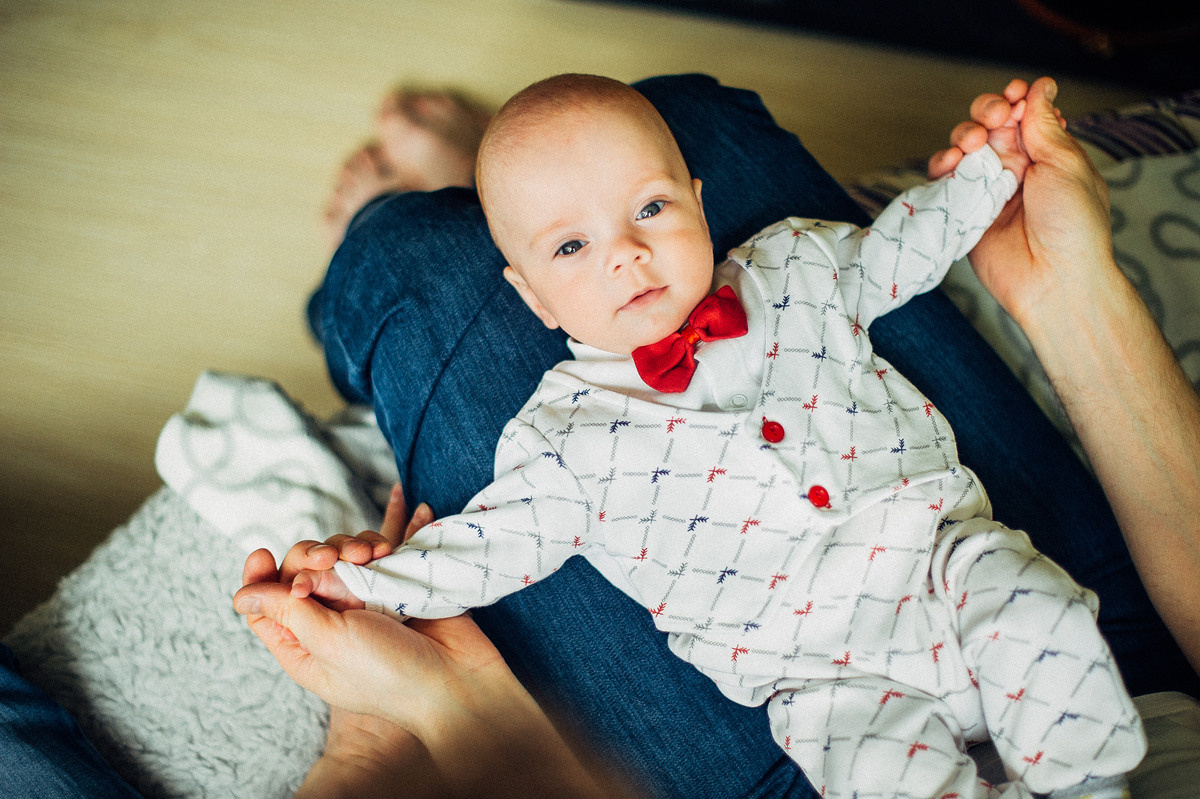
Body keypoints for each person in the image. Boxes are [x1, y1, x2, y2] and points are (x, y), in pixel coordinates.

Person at [238, 73, 1199, 799]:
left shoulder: (796, 266)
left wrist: (363, 598)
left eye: (653, 209)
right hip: (827, 676)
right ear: (534, 301)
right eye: (573, 247)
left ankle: (399, 230)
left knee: (406, 256)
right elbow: (496, 542)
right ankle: (492, 185)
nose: (627, 252)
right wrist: (998, 171)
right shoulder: (560, 438)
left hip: (933, 558)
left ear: (699, 205)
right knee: (687, 106)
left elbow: (891, 257)